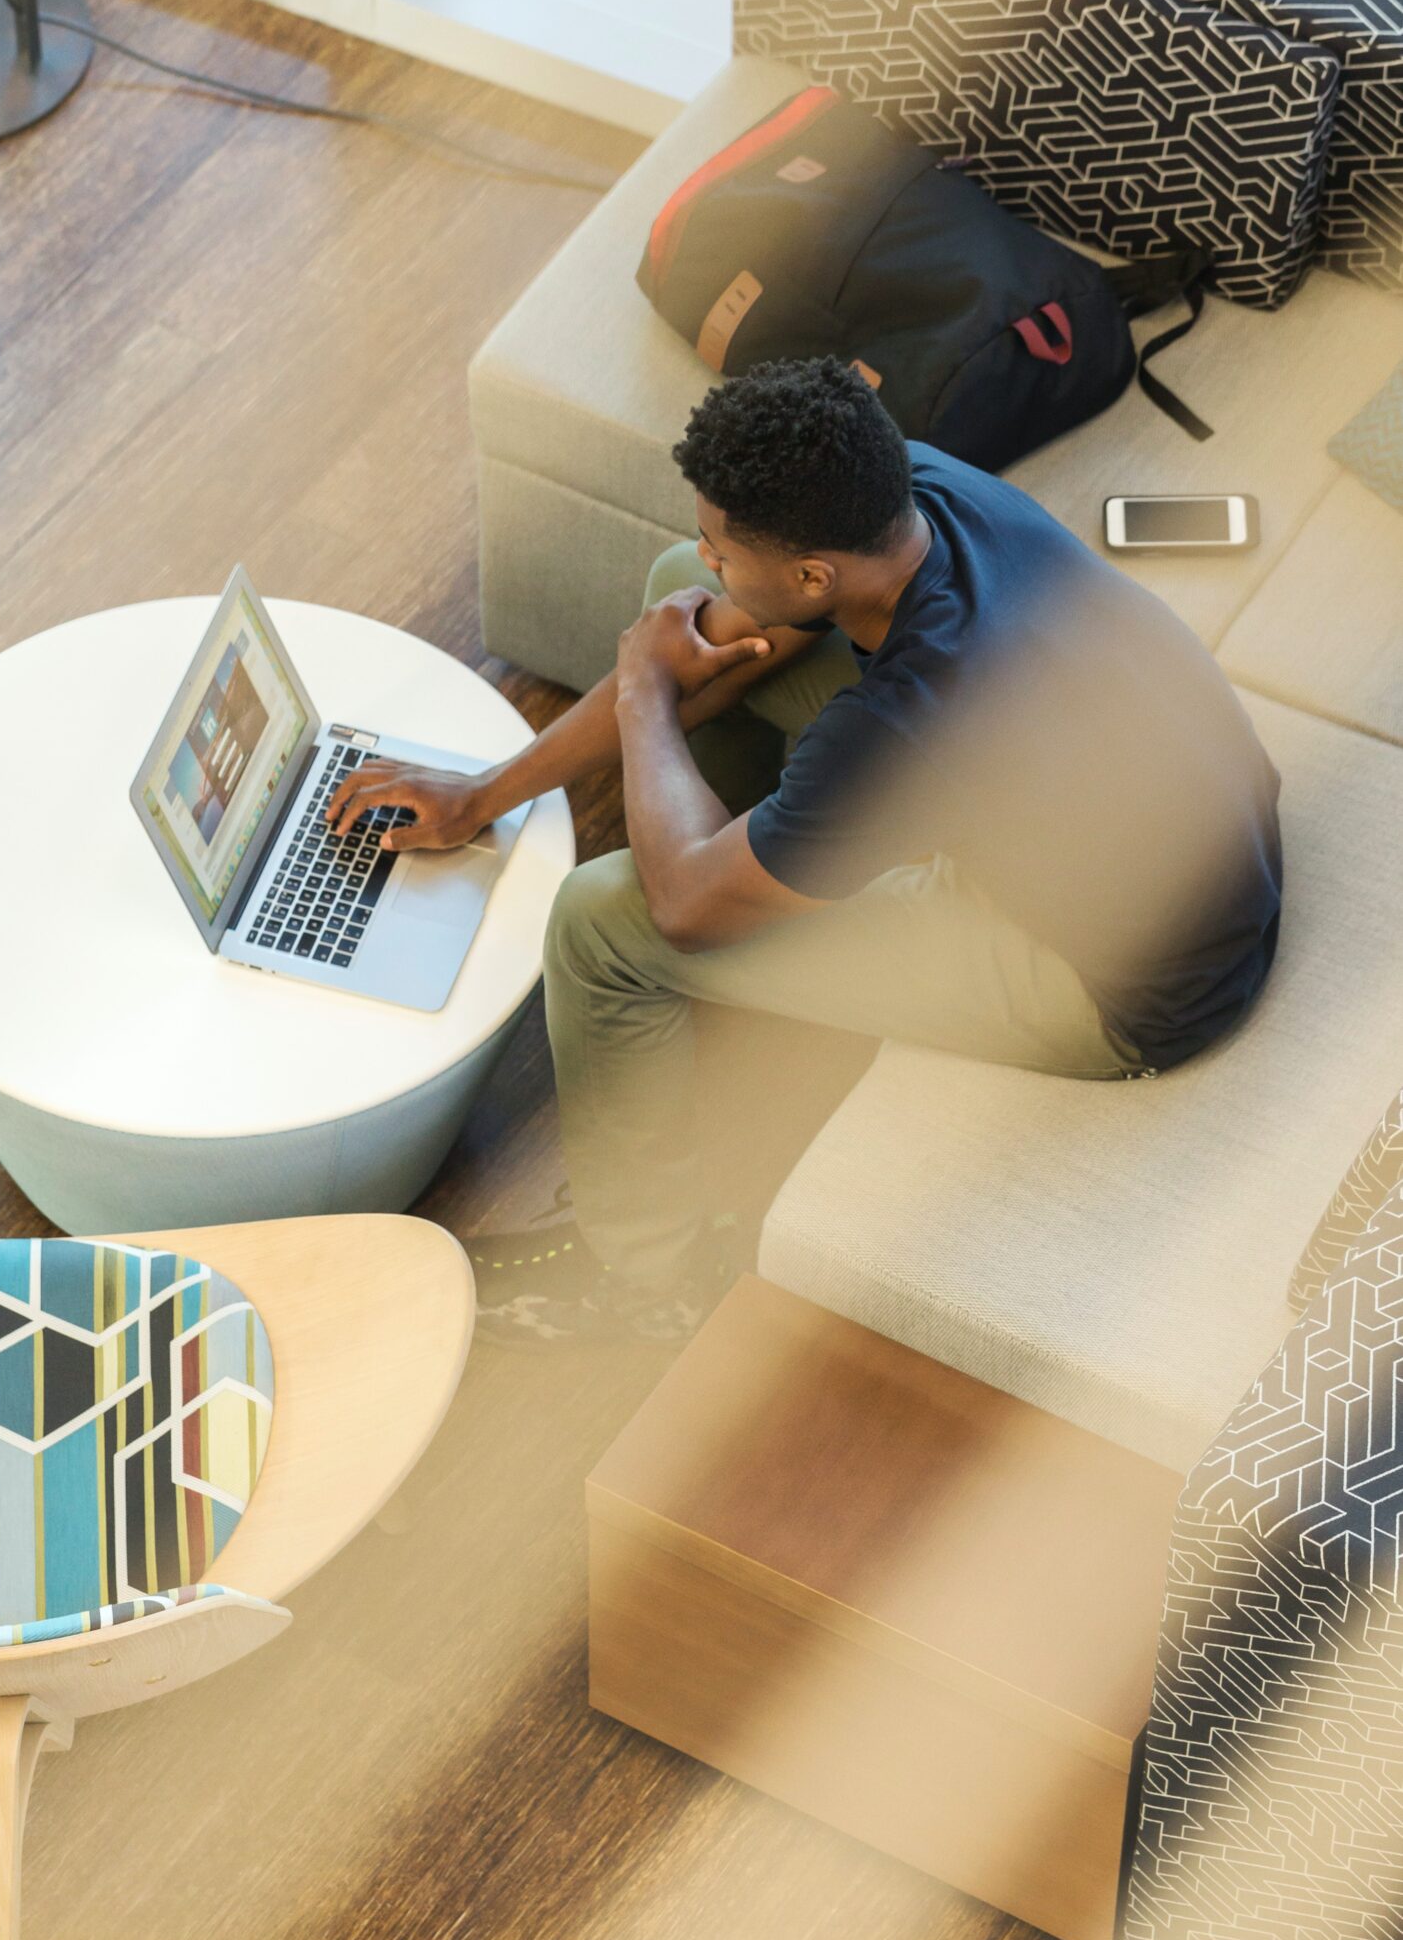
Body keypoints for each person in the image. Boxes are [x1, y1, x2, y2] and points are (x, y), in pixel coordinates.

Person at [327, 359, 1284, 1344]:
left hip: (1121, 984)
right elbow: (713, 622)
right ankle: (761, 866)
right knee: (674, 598)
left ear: (815, 575)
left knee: (601, 922)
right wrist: (484, 794)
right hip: (1182, 834)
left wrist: (643, 694)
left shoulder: (916, 711)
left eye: (723, 544)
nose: (708, 555)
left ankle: (646, 1278)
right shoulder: (912, 490)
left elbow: (682, 908)